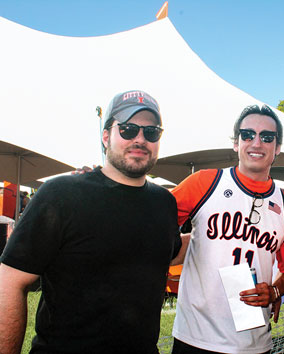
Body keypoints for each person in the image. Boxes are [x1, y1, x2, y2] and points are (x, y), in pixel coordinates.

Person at [0, 90, 182, 354]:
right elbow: (10, 281)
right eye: (129, 129)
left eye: (151, 132)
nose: (140, 139)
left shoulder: (164, 202)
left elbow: (172, 251)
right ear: (106, 136)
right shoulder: (61, 194)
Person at [170, 104, 284, 354]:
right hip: (195, 339)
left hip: (253, 344)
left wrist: (274, 290)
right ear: (236, 143)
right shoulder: (205, 183)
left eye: (267, 137)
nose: (256, 142)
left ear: (278, 148)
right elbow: (153, 221)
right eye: (247, 134)